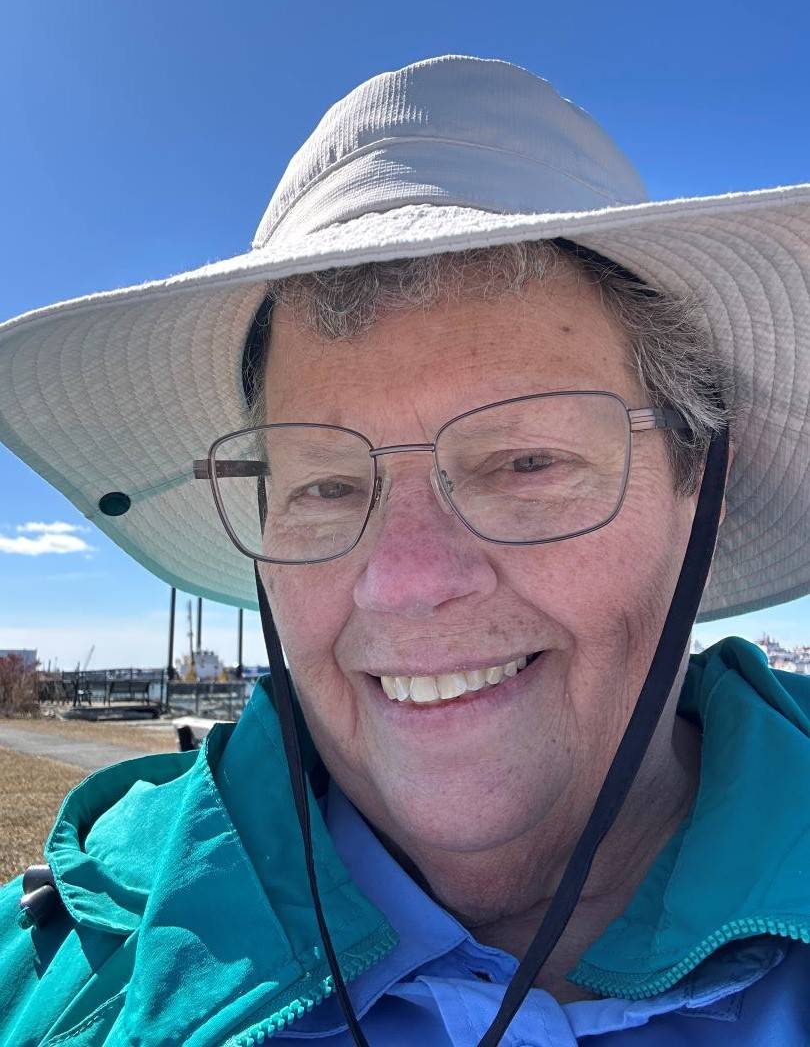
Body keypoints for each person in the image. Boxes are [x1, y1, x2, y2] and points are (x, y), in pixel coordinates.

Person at [1, 55, 809, 1046]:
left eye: (525, 461)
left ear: (702, 491)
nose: (409, 582)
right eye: (325, 485)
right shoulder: (59, 975)